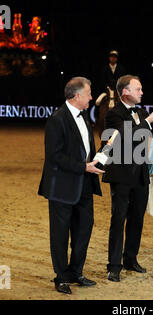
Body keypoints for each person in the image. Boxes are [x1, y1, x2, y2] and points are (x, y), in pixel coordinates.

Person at [102, 74, 153, 282]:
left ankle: (130, 259)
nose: (142, 92)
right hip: (121, 175)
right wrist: (147, 121)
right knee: (118, 220)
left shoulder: (140, 111)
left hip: (140, 174)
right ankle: (114, 266)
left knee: (137, 219)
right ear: (125, 92)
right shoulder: (113, 114)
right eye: (138, 89)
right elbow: (124, 136)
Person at [38, 77, 104, 294]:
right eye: (89, 93)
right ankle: (61, 276)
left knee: (84, 229)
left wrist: (95, 162)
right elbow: (54, 156)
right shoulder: (57, 119)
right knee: (60, 233)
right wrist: (84, 167)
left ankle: (76, 272)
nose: (92, 97)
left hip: (84, 184)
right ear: (77, 96)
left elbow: (85, 149)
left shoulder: (84, 116)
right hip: (62, 187)